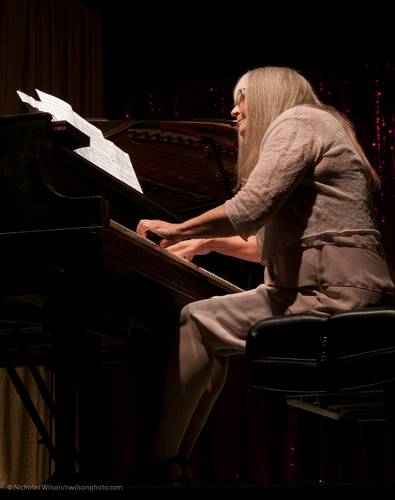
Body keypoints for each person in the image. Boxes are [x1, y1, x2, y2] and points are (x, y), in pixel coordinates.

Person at [135, 66, 395, 485]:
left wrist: (179, 229)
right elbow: (264, 245)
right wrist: (207, 244)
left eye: (243, 99)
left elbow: (250, 208)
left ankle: (160, 464)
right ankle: (174, 464)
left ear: (271, 95)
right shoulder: (324, 125)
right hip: (344, 287)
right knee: (207, 330)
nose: (235, 113)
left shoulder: (296, 121)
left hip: (327, 294)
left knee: (195, 320)